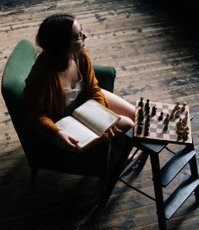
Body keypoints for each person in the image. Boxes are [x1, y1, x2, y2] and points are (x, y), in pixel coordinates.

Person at [23, 14, 135, 152]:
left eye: (82, 31)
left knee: (135, 115)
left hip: (85, 102)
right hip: (64, 118)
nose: (85, 36)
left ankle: (117, 154)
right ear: (62, 46)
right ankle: (117, 163)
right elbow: (34, 114)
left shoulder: (79, 53)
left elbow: (93, 89)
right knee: (128, 124)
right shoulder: (41, 75)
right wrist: (56, 133)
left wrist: (103, 122)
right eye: (78, 36)